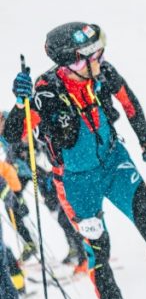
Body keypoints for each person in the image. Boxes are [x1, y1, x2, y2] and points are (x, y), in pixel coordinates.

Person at [3, 22, 146, 299]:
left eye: (99, 51)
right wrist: (21, 104)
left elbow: (130, 104)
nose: (99, 58)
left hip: (116, 165)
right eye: (91, 55)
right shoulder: (45, 93)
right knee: (98, 251)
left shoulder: (102, 73)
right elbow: (11, 136)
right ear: (71, 61)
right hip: (76, 182)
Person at [1, 110, 87, 270]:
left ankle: (82, 252)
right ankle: (30, 243)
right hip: (23, 171)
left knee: (61, 212)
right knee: (11, 204)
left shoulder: (13, 123)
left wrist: (27, 149)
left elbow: (35, 144)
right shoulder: (4, 134)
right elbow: (11, 153)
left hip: (42, 171)